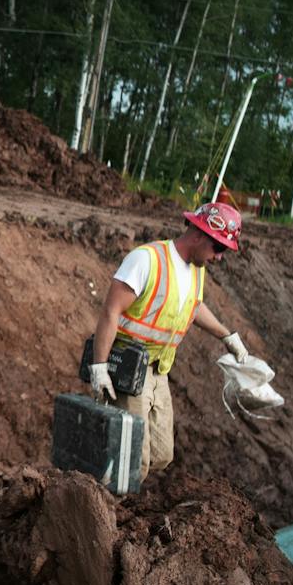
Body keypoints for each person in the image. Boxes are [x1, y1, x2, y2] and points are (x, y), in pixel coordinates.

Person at [86, 201, 257, 481]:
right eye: (219, 248)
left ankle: (110, 478)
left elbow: (193, 305)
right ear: (200, 234)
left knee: (162, 454)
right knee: (132, 462)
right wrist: (99, 367)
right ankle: (108, 507)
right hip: (129, 368)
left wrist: (227, 335)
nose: (219, 257)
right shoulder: (147, 260)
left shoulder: (195, 269)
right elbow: (111, 310)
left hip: (159, 372)